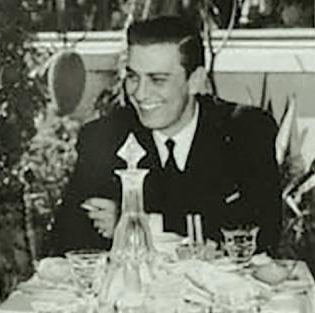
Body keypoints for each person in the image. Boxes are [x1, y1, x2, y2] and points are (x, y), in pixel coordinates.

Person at [50, 15, 281, 254]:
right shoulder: (104, 137)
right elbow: (67, 243)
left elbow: (262, 234)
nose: (140, 93)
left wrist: (138, 222)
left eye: (157, 79)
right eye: (133, 77)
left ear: (195, 81)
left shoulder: (245, 130)